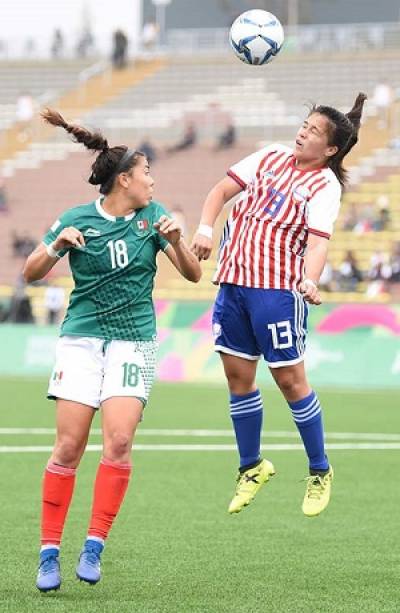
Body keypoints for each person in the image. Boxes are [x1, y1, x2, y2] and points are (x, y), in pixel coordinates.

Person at [23, 108, 201, 593]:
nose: (152, 180)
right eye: (146, 173)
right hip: (81, 340)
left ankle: (95, 545)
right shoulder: (76, 218)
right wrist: (57, 244)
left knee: (118, 442)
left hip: (135, 342)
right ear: (124, 180)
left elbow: (193, 274)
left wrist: (178, 242)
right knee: (68, 447)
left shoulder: (155, 217)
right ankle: (48, 553)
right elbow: (30, 272)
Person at [191, 92, 367, 518]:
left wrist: (309, 279)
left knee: (290, 382)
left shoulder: (324, 185)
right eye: (304, 125)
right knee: (238, 378)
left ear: (330, 149)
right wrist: (204, 228)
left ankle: (319, 469)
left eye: (313, 132)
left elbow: (319, 242)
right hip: (232, 283)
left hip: (276, 292)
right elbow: (221, 189)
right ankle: (252, 466)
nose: (302, 133)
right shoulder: (270, 156)